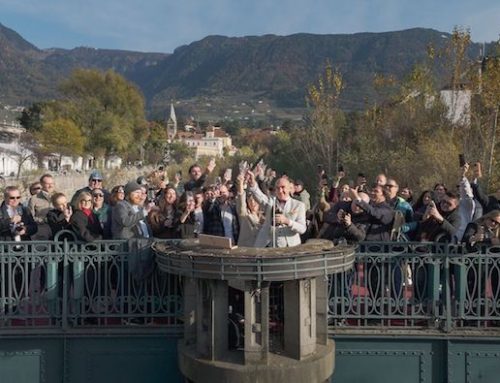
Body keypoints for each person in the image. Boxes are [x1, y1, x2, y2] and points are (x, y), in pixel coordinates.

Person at [247, 171, 306, 247]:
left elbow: (302, 229)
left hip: (290, 248)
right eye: (278, 188)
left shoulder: (298, 205)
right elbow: (259, 196)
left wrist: (287, 221)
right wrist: (252, 183)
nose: (280, 191)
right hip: (269, 247)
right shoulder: (270, 202)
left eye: (283, 187)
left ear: (289, 189)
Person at [235, 173, 266, 247]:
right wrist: (240, 185)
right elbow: (241, 203)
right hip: (246, 250)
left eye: (255, 200)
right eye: (250, 200)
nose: (252, 202)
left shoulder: (265, 214)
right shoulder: (245, 215)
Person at [28, 174, 56, 240]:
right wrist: (43, 220)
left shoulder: (58, 197)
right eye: (47, 183)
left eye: (52, 183)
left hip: (57, 230)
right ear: (42, 184)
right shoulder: (34, 199)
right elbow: (30, 217)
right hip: (41, 232)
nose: (50, 186)